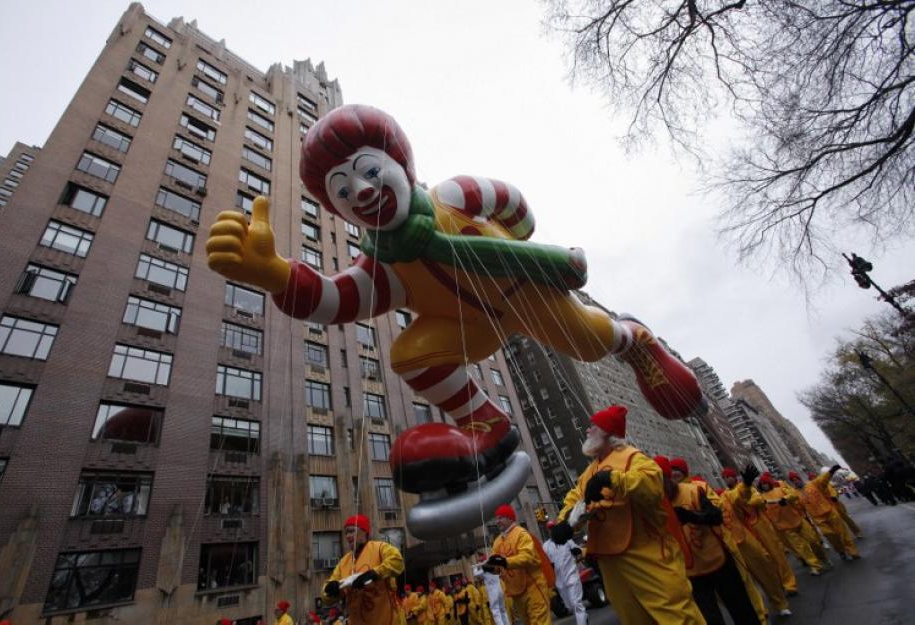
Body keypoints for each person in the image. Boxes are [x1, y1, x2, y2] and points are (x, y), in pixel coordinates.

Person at [206, 104, 708, 528]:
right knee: (408, 353)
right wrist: (272, 272)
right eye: (342, 190)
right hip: (467, 327)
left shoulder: (454, 196)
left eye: (369, 170)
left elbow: (512, 203)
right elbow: (336, 299)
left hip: (523, 292)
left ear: (401, 164)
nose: (360, 190)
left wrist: (519, 236)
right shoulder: (381, 267)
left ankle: (636, 339)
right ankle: (490, 426)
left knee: (591, 342)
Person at [556, 405, 705, 625]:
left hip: (646, 554)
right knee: (633, 618)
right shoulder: (589, 471)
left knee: (676, 615)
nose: (587, 431)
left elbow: (653, 485)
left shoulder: (632, 458)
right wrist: (565, 522)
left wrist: (612, 479)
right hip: (610, 560)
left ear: (606, 432)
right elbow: (575, 499)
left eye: (592, 426)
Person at [667, 459, 761, 625]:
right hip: (692, 569)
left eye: (677, 470)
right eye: (671, 470)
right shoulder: (657, 502)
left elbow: (718, 513)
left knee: (740, 600)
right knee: (710, 616)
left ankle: (761, 615)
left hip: (718, 551)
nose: (674, 474)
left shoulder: (698, 488)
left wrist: (745, 486)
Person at [719, 466, 793, 617]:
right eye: (724, 477)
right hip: (740, 539)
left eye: (729, 476)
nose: (727, 479)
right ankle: (765, 608)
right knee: (754, 576)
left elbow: (746, 497)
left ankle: (786, 587)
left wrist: (746, 485)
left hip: (759, 527)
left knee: (775, 558)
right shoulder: (723, 496)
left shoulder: (743, 488)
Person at [322, 514, 406, 625]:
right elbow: (326, 594)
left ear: (365, 532)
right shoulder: (344, 562)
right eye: (346, 532)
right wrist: (330, 590)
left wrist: (375, 573)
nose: (348, 536)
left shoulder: (380, 547)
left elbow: (397, 561)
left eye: (352, 531)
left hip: (387, 620)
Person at [485, 504, 552, 625]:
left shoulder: (521, 534)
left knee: (539, 622)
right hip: (516, 593)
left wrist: (505, 562)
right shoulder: (497, 542)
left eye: (501, 518)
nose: (497, 521)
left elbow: (527, 557)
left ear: (510, 518)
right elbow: (497, 567)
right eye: (497, 518)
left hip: (533, 587)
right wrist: (490, 568)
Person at [788, 467, 860, 560]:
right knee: (829, 534)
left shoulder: (812, 484)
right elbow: (795, 503)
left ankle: (852, 551)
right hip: (818, 518)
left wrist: (831, 471)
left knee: (842, 532)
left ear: (800, 479)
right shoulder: (795, 493)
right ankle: (840, 550)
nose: (796, 481)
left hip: (829, 512)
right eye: (793, 480)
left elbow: (823, 479)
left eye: (796, 479)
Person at [542, 520, 588, 625]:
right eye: (550, 528)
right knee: (570, 606)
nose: (552, 530)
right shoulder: (545, 546)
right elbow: (545, 562)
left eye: (553, 527)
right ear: (548, 530)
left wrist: (577, 551)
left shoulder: (567, 540)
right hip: (559, 581)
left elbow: (578, 549)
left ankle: (582, 622)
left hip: (571, 575)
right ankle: (584, 617)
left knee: (576, 603)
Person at [478, 558, 510, 625]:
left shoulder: (484, 571)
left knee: (496, 612)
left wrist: (478, 566)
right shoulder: (495, 568)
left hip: (493, 592)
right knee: (503, 610)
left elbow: (475, 573)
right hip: (499, 590)